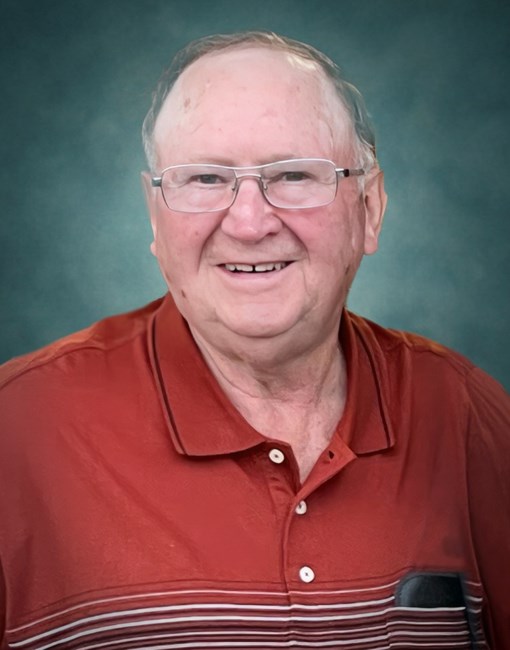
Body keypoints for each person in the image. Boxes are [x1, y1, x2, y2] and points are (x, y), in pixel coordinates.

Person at [0, 30, 509, 650]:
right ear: (154, 215)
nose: (248, 222)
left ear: (370, 208)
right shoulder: (18, 428)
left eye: (293, 174)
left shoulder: (465, 413)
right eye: (205, 179)